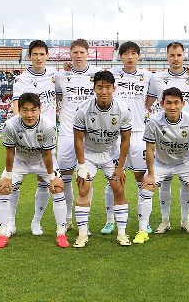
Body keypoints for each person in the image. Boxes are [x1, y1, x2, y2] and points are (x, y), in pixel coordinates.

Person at [135, 87, 189, 244]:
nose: (172, 107)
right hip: (161, 162)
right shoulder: (153, 121)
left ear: (183, 104)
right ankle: (144, 230)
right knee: (146, 188)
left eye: (176, 103)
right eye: (169, 103)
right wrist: (150, 174)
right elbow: (150, 149)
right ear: (162, 104)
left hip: (185, 162)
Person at [145, 42, 189, 234]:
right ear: (167, 56)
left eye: (179, 55)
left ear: (184, 56)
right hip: (164, 135)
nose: (176, 59)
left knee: (188, 182)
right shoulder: (156, 78)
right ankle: (165, 221)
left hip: (187, 135)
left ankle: (185, 221)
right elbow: (146, 102)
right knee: (163, 182)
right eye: (172, 55)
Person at [0, 92, 69, 248]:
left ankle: (61, 233)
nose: (29, 115)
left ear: (39, 109)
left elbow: (47, 155)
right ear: (19, 110)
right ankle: (2, 234)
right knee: (3, 189)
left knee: (58, 188)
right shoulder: (10, 125)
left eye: (33, 110)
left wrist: (52, 177)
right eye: (25, 110)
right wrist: (8, 176)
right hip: (19, 161)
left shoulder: (48, 126)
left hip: (42, 162)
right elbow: (10, 153)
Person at [72, 70, 132, 247]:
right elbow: (78, 139)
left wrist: (120, 167)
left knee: (118, 188)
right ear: (94, 89)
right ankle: (82, 234)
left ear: (114, 88)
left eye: (107, 87)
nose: (103, 91)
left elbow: (126, 140)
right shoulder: (83, 109)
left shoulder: (123, 109)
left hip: (111, 154)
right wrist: (81, 165)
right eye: (99, 87)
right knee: (84, 188)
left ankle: (122, 233)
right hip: (89, 154)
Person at [101, 41, 154, 235]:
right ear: (120, 56)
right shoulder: (112, 74)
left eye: (133, 53)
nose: (130, 57)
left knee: (141, 177)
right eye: (126, 54)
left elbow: (151, 99)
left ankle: (144, 220)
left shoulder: (148, 76)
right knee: (113, 178)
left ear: (138, 56)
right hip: (115, 134)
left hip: (139, 133)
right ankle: (110, 220)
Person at [9, 40, 59, 237]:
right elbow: (16, 107)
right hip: (25, 137)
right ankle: (10, 223)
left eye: (42, 54)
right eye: (35, 54)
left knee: (44, 180)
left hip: (46, 136)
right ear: (29, 56)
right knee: (13, 182)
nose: (39, 58)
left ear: (47, 56)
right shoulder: (21, 80)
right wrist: (19, 132)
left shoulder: (55, 75)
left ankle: (36, 222)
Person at [55, 38, 100, 230]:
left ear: (88, 54)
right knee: (65, 178)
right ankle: (67, 219)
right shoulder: (61, 76)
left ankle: (84, 222)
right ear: (70, 54)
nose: (79, 56)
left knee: (85, 179)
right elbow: (56, 95)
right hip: (67, 134)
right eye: (75, 53)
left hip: (90, 135)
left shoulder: (97, 74)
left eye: (82, 52)